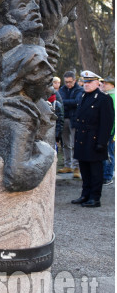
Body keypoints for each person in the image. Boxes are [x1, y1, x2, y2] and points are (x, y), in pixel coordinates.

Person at [70, 70, 115, 207]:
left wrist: (102, 142)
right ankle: (85, 195)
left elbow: (107, 123)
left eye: (89, 82)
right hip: (82, 139)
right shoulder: (84, 96)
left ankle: (95, 198)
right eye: (85, 82)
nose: (86, 84)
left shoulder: (103, 98)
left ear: (97, 83)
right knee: (84, 169)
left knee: (95, 172)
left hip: (94, 140)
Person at [59, 71, 84, 177]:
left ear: (74, 80)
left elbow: (77, 102)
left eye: (70, 82)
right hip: (64, 118)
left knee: (75, 144)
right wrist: (69, 102)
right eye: (66, 82)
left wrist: (65, 102)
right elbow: (60, 100)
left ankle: (77, 167)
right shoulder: (62, 89)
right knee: (66, 144)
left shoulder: (80, 90)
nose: (68, 84)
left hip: (75, 119)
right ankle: (67, 165)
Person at [100, 76, 115, 185]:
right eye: (103, 83)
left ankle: (108, 176)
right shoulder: (106, 96)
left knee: (109, 154)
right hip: (105, 131)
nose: (103, 85)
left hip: (111, 132)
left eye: (106, 84)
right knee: (105, 154)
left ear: (112, 85)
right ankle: (103, 175)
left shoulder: (113, 97)